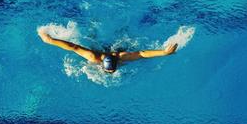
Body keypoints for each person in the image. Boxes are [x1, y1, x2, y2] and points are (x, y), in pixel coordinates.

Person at [37, 29, 178, 73]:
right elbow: (74, 47)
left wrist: (164, 52)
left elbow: (142, 53)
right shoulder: (93, 57)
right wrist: (50, 40)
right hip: (98, 48)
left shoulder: (121, 56)